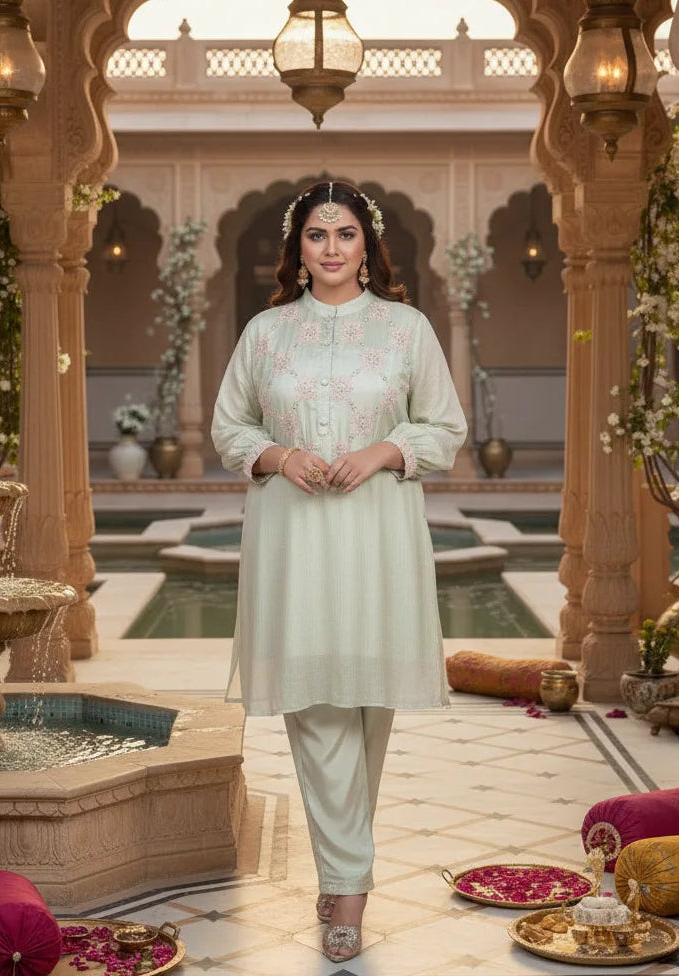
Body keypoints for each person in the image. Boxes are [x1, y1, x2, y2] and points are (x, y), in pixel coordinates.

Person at [211, 179, 467, 963]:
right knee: (317, 709)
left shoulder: (405, 329)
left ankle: (338, 865)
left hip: (379, 536)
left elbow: (445, 426)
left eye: (345, 234)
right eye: (316, 236)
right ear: (298, 249)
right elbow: (230, 426)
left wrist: (386, 451)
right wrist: (280, 455)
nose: (330, 249)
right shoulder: (267, 333)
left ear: (367, 245)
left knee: (366, 712)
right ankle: (349, 889)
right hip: (294, 540)